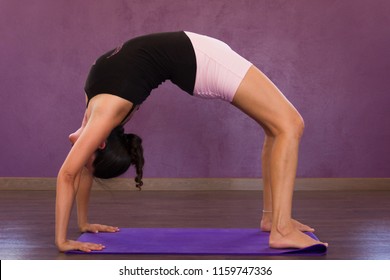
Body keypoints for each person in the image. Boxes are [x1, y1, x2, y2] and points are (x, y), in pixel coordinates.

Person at [55, 31, 328, 252]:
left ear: (99, 143)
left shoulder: (100, 112)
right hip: (200, 58)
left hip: (202, 57)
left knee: (279, 127)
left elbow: (69, 174)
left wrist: (64, 239)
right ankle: (281, 228)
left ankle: (274, 221)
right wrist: (82, 222)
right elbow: (78, 170)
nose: (74, 145)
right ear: (101, 143)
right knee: (289, 125)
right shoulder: (99, 108)